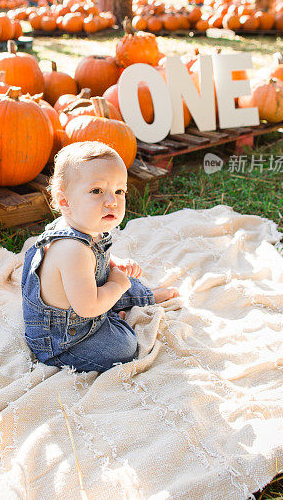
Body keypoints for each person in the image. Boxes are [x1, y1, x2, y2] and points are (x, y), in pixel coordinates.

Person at [21, 141, 178, 372]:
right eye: (97, 191)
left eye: (119, 191)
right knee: (124, 347)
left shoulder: (85, 225)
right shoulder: (72, 250)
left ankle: (143, 296)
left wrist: (115, 264)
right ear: (65, 201)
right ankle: (115, 317)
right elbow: (87, 307)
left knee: (123, 281)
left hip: (82, 298)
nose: (112, 201)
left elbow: (95, 260)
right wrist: (115, 284)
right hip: (64, 338)